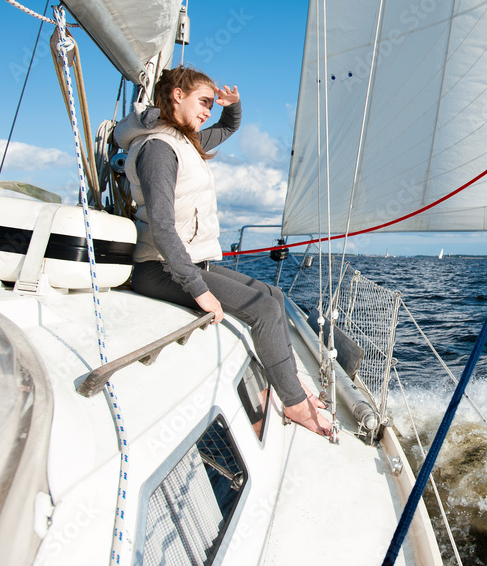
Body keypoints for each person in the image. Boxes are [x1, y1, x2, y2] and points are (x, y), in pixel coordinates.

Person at [115, 66, 331, 437]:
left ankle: (289, 378)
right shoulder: (158, 149)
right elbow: (163, 228)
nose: (207, 113)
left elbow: (229, 128)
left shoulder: (185, 139)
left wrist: (233, 106)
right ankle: (295, 404)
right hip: (157, 267)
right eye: (203, 102)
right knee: (261, 310)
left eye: (211, 107)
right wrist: (199, 290)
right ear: (176, 95)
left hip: (186, 261)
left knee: (273, 294)